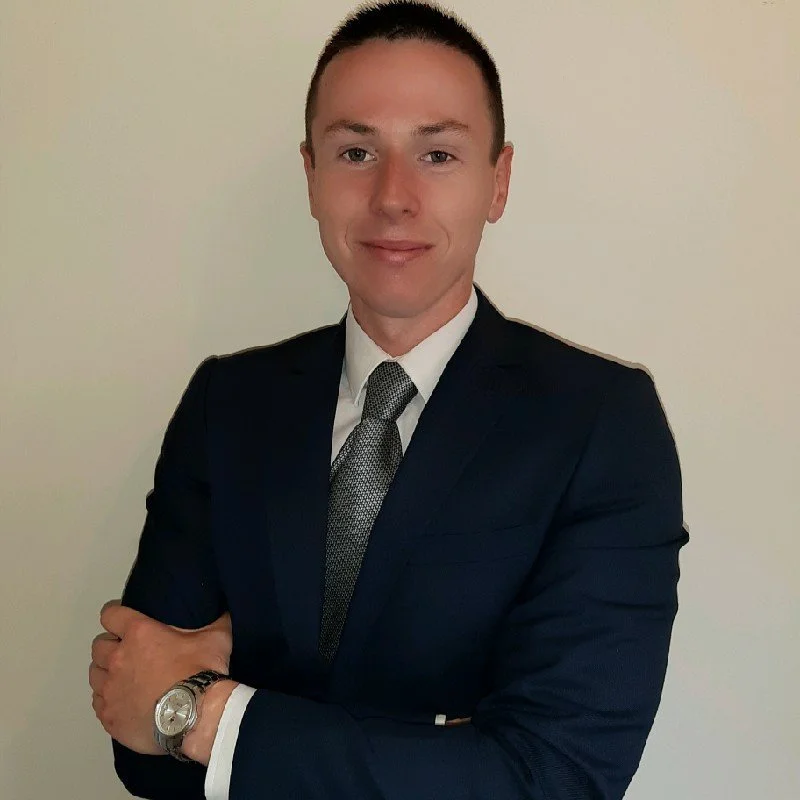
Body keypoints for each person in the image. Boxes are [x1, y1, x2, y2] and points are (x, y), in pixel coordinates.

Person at [88, 2, 688, 798]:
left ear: (498, 180)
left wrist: (208, 719)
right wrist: (439, 748)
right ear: (311, 175)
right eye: (356, 150)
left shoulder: (600, 424)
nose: (394, 195)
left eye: (438, 153)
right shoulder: (227, 406)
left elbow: (554, 776)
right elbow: (137, 736)